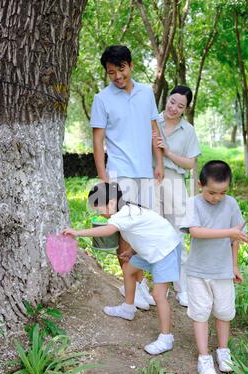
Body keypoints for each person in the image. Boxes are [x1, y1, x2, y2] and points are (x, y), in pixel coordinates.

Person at [62, 182, 181, 355]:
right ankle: (128, 308)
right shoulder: (126, 210)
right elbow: (145, 232)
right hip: (152, 248)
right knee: (129, 269)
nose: (99, 213)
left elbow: (107, 231)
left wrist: (78, 233)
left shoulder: (123, 214)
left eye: (99, 208)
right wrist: (133, 251)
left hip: (165, 251)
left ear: (110, 203)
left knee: (158, 295)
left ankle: (166, 338)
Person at [90, 45, 164, 311]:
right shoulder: (102, 99)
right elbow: (98, 142)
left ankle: (138, 284)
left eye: (121, 69)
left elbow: (154, 130)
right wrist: (103, 178)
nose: (118, 77)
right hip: (119, 174)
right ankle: (131, 290)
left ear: (130, 65)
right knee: (124, 232)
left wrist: (159, 163)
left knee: (142, 232)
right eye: (111, 73)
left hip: (145, 173)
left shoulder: (146, 93)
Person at [180, 161, 248, 374]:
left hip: (222, 270)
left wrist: (235, 266)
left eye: (222, 192)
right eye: (211, 192)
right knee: (200, 313)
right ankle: (204, 357)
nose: (217, 197)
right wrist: (228, 231)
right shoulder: (193, 203)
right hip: (198, 271)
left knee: (224, 311)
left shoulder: (231, 204)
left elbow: (235, 239)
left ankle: (223, 350)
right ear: (200, 184)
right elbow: (196, 232)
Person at [154, 85, 201, 307]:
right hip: (150, 181)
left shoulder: (188, 130)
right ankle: (152, 286)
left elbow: (191, 163)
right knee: (151, 234)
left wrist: (169, 152)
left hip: (174, 182)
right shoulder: (153, 121)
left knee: (176, 236)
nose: (174, 108)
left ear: (185, 109)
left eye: (180, 106)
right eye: (172, 102)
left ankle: (181, 288)